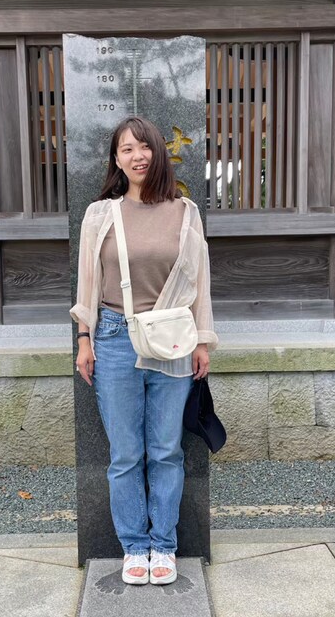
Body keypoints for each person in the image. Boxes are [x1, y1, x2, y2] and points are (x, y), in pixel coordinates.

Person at [70, 116, 218, 586]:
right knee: (126, 453)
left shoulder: (185, 212)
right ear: (116, 160)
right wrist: (84, 338)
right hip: (114, 338)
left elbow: (200, 282)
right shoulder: (101, 214)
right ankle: (135, 546)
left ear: (158, 152)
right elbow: (88, 282)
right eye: (126, 149)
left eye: (144, 147)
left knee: (167, 450)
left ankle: (164, 546)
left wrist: (203, 341)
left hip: (173, 339)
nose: (137, 156)